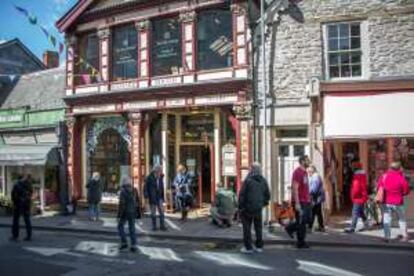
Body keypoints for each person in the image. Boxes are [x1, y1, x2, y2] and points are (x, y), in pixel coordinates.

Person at [238, 162, 270, 254]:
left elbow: (242, 195)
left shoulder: (248, 180)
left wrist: (241, 207)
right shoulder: (263, 180)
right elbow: (267, 195)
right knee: (258, 227)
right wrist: (262, 204)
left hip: (247, 208)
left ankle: (248, 247)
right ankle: (259, 246)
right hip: (258, 208)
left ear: (251, 169)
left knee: (247, 228)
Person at [377, 162, 411, 242]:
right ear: (399, 168)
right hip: (398, 202)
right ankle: (404, 236)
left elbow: (379, 187)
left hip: (386, 201)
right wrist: (401, 193)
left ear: (390, 168)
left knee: (386, 219)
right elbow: (406, 190)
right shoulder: (401, 178)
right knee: (401, 219)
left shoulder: (384, 176)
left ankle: (387, 237)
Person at [285, 155, 312, 249]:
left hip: (306, 201)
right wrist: (297, 203)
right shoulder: (297, 172)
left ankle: (290, 228)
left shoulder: (305, 172)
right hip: (300, 201)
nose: (309, 162)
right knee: (301, 222)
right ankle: (301, 242)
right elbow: (295, 188)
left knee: (306, 220)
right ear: (302, 161)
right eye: (307, 160)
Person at [344, 159, 369, 233]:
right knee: (360, 211)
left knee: (355, 212)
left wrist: (353, 196)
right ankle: (366, 224)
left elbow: (356, 188)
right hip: (362, 195)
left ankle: (352, 227)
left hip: (358, 197)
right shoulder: (362, 174)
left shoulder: (357, 176)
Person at [117, 177, 138, 252]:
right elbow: (137, 202)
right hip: (132, 212)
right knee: (132, 228)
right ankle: (133, 245)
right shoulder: (134, 190)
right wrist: (137, 213)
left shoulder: (123, 191)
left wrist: (119, 215)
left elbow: (122, 204)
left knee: (120, 226)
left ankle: (124, 242)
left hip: (125, 212)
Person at [10, 174, 33, 241]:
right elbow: (31, 193)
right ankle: (29, 235)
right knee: (27, 219)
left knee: (16, 220)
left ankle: (15, 235)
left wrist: (14, 203)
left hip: (18, 204)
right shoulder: (28, 184)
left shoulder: (16, 184)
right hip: (26, 204)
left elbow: (13, 195)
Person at [144, 165, 167, 231]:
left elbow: (161, 188)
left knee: (161, 212)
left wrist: (162, 198)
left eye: (160, 171)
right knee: (153, 213)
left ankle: (162, 226)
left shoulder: (160, 177)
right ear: (155, 171)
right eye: (159, 171)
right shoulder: (149, 178)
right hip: (152, 197)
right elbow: (145, 188)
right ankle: (154, 227)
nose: (160, 173)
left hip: (159, 197)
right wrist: (146, 197)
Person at [308, 165, 325, 232]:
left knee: (313, 212)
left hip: (316, 198)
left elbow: (314, 189)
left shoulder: (315, 177)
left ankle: (309, 227)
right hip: (318, 198)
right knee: (318, 213)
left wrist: (309, 193)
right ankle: (321, 227)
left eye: (309, 171)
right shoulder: (315, 176)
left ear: (312, 171)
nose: (308, 173)